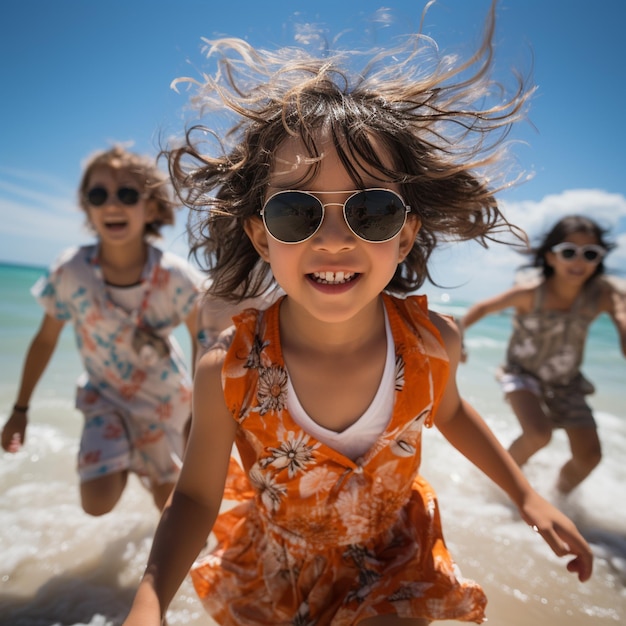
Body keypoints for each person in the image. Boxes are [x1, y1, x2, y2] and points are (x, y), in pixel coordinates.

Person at [123, 8, 593, 626]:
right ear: (263, 239)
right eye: (298, 213)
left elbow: (450, 413)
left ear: (403, 237)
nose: (336, 240)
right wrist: (149, 602)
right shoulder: (229, 370)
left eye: (370, 211)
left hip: (395, 558)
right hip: (277, 567)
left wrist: (526, 493)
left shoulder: (431, 343)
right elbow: (194, 496)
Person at [1, 145, 203, 514]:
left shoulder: (174, 276)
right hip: (105, 398)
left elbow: (201, 339)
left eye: (127, 194)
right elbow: (46, 340)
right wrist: (20, 409)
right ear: (87, 208)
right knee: (96, 502)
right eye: (99, 195)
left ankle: (150, 470)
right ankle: (123, 455)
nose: (113, 204)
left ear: (152, 208)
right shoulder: (70, 271)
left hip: (165, 401)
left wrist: (200, 415)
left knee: (172, 509)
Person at [460, 215, 626, 495]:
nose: (579, 261)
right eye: (569, 252)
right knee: (538, 434)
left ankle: (557, 498)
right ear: (550, 257)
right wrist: (459, 339)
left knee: (590, 456)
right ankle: (501, 488)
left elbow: (622, 315)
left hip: (568, 383)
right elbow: (481, 308)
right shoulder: (531, 292)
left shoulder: (601, 296)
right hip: (521, 374)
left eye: (590, 254)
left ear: (599, 259)